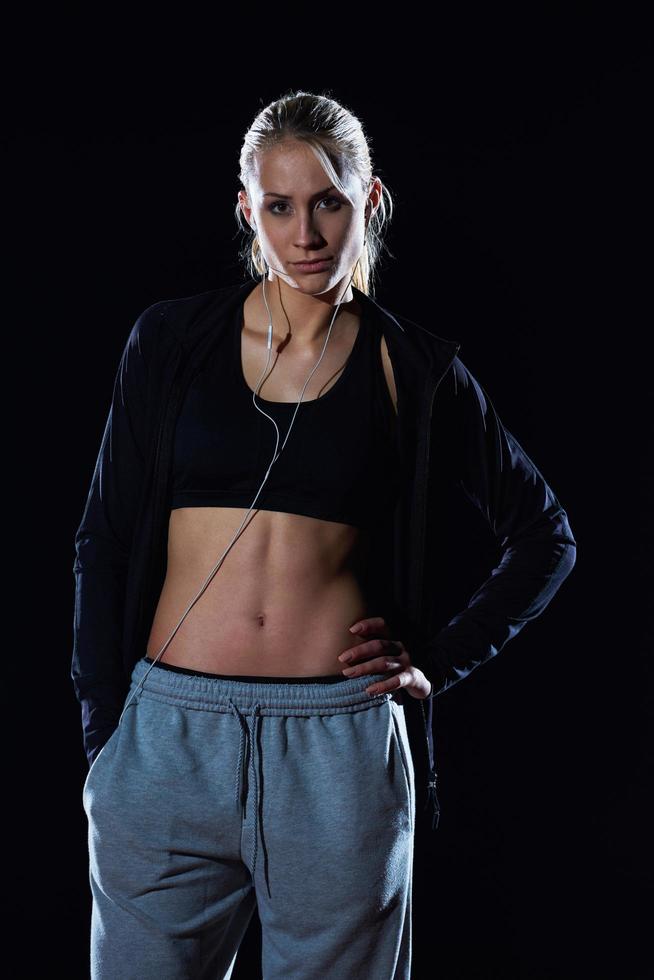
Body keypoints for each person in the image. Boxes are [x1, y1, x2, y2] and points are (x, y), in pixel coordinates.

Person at [73, 89, 577, 980]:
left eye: (328, 202)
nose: (305, 233)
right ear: (247, 210)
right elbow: (103, 542)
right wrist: (106, 740)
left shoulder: (412, 369)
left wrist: (435, 659)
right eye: (279, 206)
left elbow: (544, 535)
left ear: (369, 200)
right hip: (167, 743)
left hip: (336, 751)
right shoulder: (170, 342)